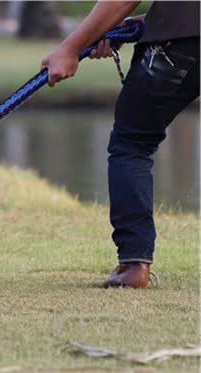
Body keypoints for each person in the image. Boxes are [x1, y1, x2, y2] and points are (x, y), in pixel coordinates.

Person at [41, 1, 199, 288]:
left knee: (132, 143)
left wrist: (71, 47)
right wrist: (132, 24)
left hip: (181, 42)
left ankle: (134, 264)